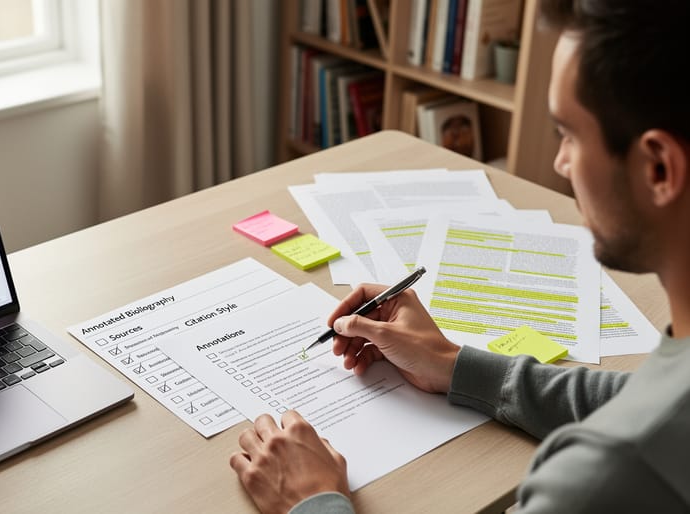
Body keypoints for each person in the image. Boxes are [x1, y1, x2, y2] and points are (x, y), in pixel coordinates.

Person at [229, 0, 690, 512]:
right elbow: (651, 400)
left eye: (568, 135)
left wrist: (313, 501)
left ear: (659, 170)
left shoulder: (599, 480)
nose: (559, 163)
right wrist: (455, 366)